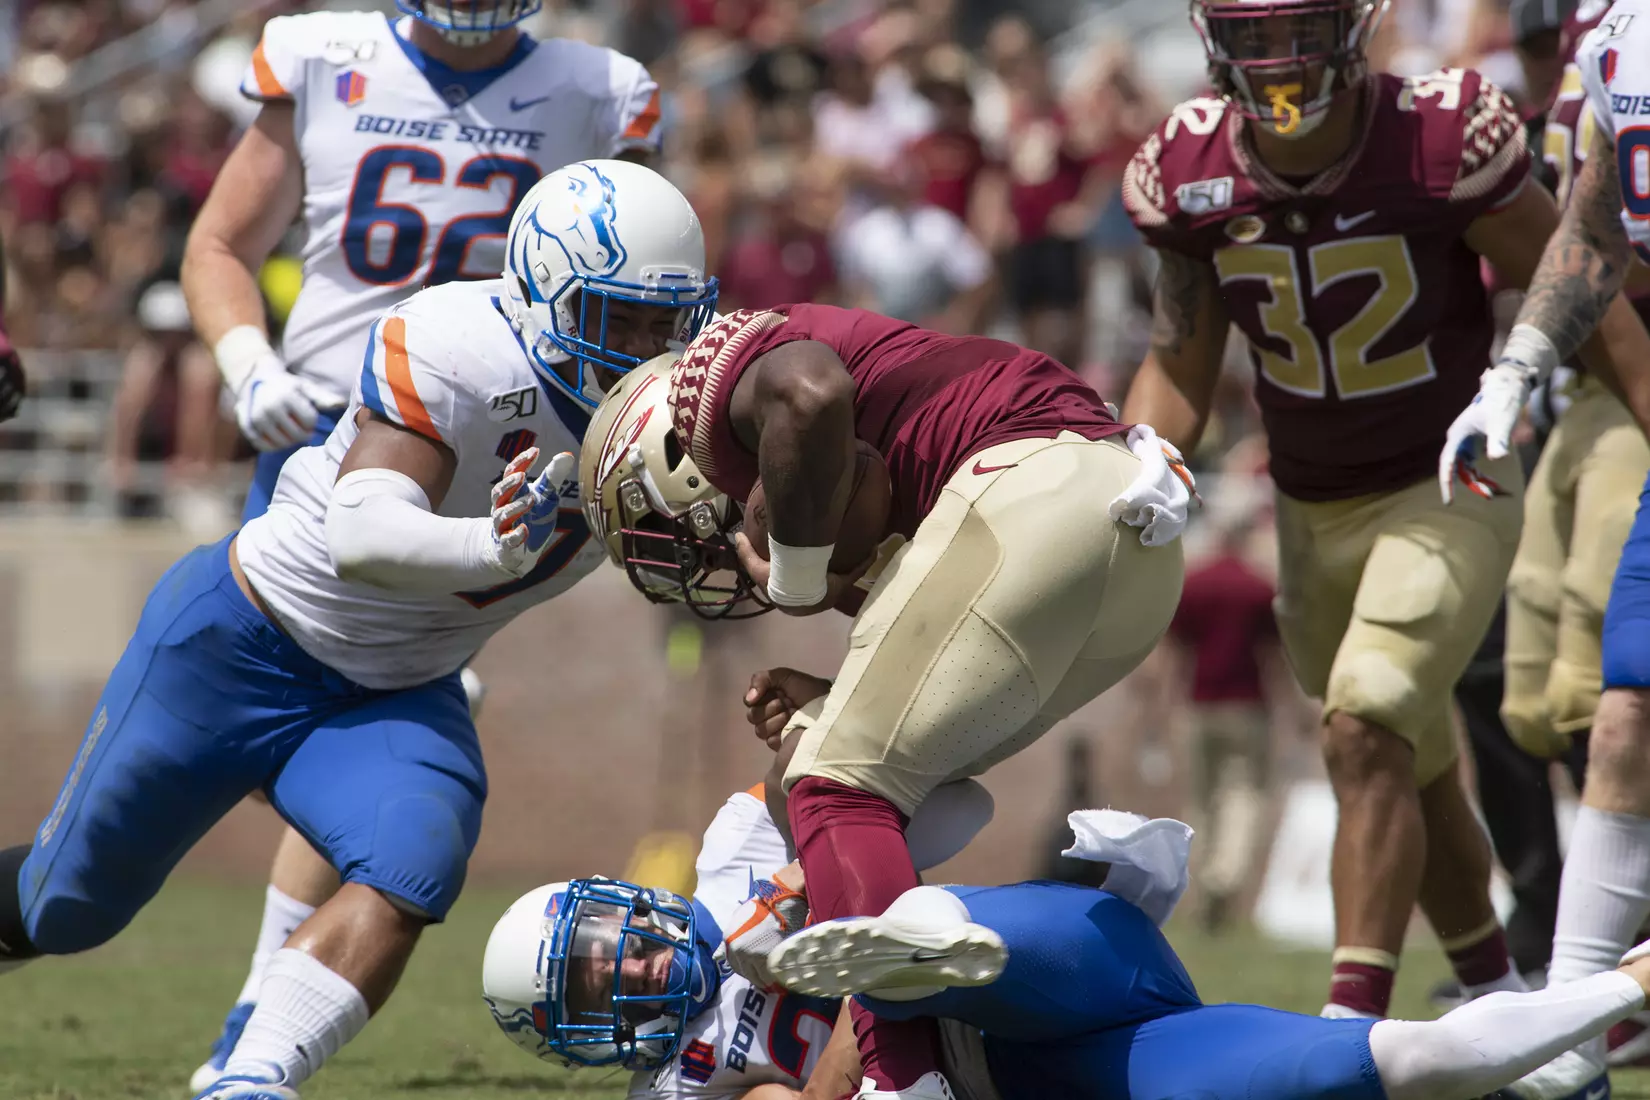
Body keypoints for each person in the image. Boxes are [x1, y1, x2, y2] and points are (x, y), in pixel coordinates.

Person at [0, 160, 716, 1100]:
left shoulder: (688, 400)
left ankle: (251, 1080)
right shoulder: (461, 343)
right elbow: (362, 531)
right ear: (543, 287)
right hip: (241, 641)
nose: (640, 349)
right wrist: (491, 547)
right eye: (613, 318)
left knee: (416, 854)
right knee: (69, 907)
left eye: (662, 324)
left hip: (398, 684)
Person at [1119, 0, 1650, 1024]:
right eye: (1254, 35)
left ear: (1355, 26)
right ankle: (1498, 999)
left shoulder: (1440, 135)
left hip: (1446, 484)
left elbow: (1583, 284)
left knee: (1366, 725)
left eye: (1298, 30)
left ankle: (1349, 1028)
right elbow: (1178, 357)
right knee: (1408, 756)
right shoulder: (1187, 168)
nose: (1277, 61)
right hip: (1306, 509)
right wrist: (1147, 453)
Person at [177, 0, 665, 1084]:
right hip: (330, 432)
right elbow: (217, 242)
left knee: (360, 715)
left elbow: (651, 289)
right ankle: (247, 1014)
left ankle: (251, 1030)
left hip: (507, 445)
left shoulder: (598, 88)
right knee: (305, 706)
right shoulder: (323, 52)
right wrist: (247, 357)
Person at [579, 287, 1192, 1097]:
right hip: (1136, 549)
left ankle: (901, 1080)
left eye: (675, 533)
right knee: (865, 779)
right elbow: (952, 800)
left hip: (1036, 488)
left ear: (666, 456)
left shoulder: (714, 398)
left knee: (837, 785)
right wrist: (826, 710)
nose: (709, 556)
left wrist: (798, 582)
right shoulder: (890, 462)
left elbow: (811, 392)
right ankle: (916, 965)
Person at [477, 780, 1650, 1100]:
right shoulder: (675, 1084)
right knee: (1399, 1067)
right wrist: (857, 1033)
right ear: (575, 1033)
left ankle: (905, 949)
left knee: (932, 931)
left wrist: (809, 747)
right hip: (1058, 1066)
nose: (632, 962)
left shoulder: (740, 840)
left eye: (611, 939)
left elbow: (938, 803)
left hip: (1036, 960)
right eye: (599, 981)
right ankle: (1627, 984)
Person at [1435, 0, 1650, 1092]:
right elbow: (1596, 232)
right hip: (1614, 418)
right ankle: (1573, 1031)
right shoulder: (1618, 41)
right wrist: (1514, 369)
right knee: (1620, 716)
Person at [1164, 518, 1280, 932]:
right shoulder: (1257, 587)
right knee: (1245, 796)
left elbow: (1174, 649)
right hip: (1247, 705)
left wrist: (1160, 706)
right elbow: (1275, 653)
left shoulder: (1194, 583)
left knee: (1200, 800)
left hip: (1198, 703)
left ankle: (1202, 883)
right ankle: (1223, 876)